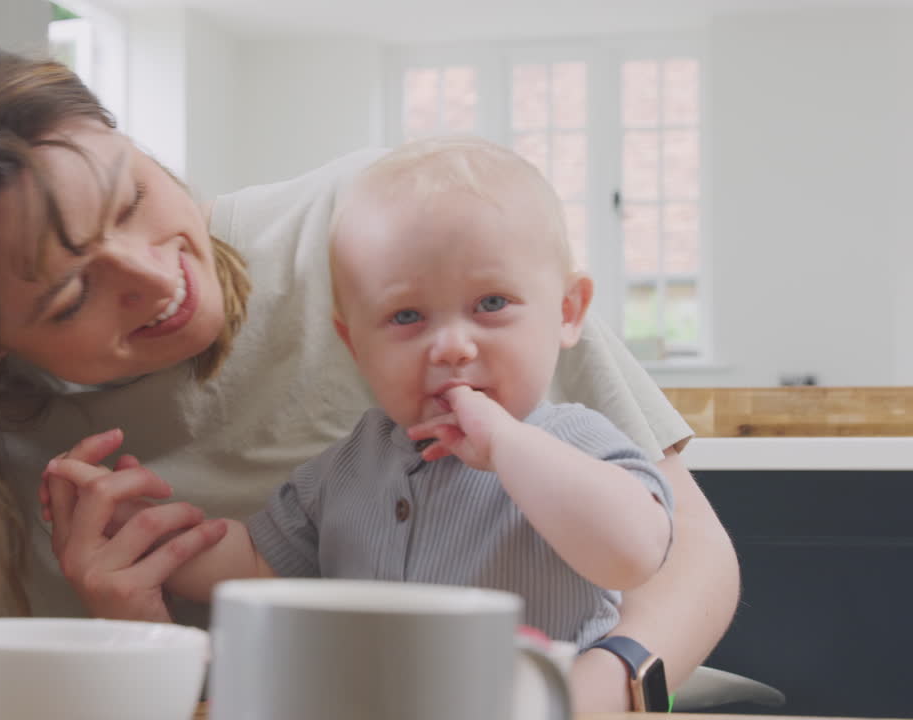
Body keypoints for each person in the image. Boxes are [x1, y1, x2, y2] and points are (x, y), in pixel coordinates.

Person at [0, 40, 738, 710]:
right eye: (70, 297)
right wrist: (130, 631)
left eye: (135, 195)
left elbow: (684, 549)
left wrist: (595, 689)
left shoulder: (392, 235)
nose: (159, 279)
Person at [52, 136, 676, 649]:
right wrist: (143, 532)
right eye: (407, 318)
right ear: (356, 348)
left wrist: (509, 445)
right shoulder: (350, 465)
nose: (452, 347)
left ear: (568, 312)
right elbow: (256, 565)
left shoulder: (571, 438)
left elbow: (634, 555)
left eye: (491, 304)